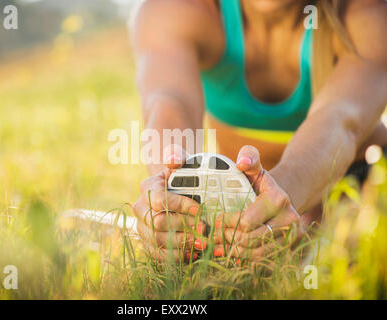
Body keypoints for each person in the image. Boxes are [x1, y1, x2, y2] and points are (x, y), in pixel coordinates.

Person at [130, 0, 387, 263]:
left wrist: (279, 198)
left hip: (362, 185)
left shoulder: (367, 12)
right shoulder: (175, 9)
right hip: (246, 213)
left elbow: (340, 119)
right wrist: (171, 193)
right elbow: (169, 100)